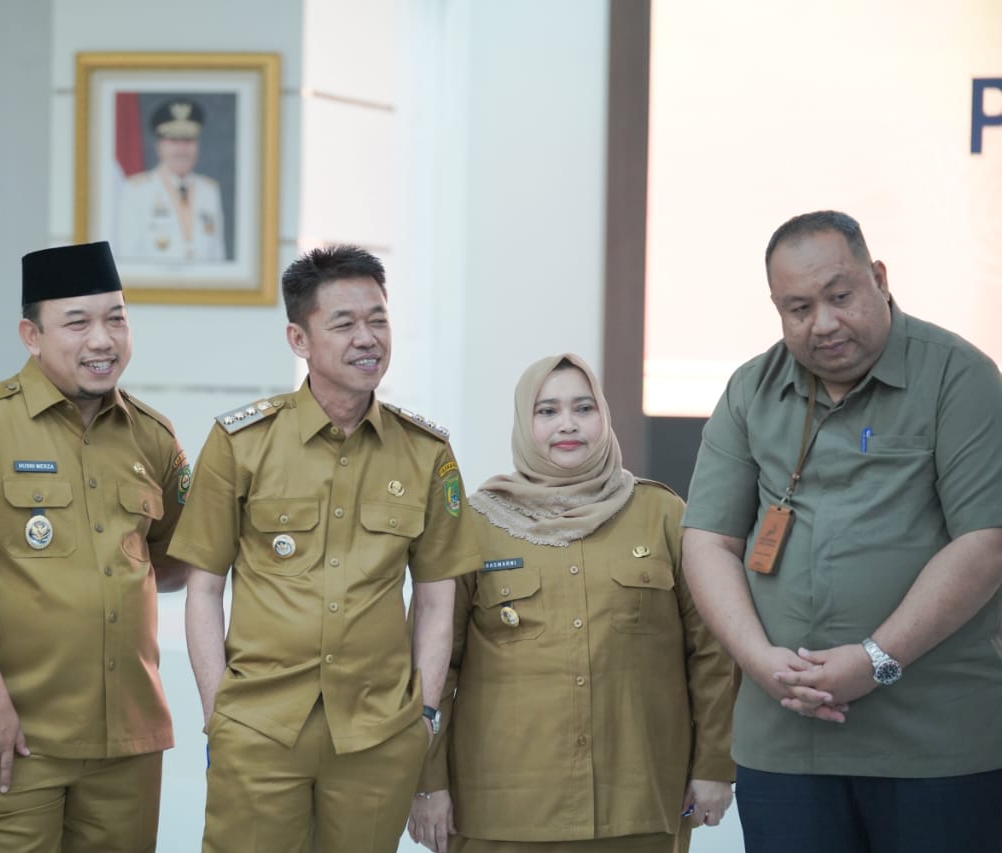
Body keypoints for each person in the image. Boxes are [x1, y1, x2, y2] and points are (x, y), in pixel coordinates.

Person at [681, 210, 1002, 853]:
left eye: (839, 296)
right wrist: (759, 660)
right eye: (798, 308)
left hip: (934, 743)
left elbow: (985, 542)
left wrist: (877, 660)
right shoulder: (751, 389)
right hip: (785, 738)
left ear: (878, 277)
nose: (823, 323)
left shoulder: (958, 376)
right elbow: (708, 541)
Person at [168, 244, 480, 852]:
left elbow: (437, 600)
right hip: (258, 729)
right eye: (344, 323)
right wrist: (218, 714)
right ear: (299, 339)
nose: (367, 338)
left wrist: (423, 715)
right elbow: (203, 590)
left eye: (378, 319)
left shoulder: (426, 453)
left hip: (378, 735)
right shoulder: (241, 443)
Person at [0, 240, 190, 853]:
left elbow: (175, 559)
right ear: (31, 336)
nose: (103, 340)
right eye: (78, 323)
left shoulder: (153, 436)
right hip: (15, 734)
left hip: (127, 741)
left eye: (116, 319)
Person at [406, 353, 736, 853]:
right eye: (547, 411)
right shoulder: (473, 525)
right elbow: (430, 664)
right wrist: (427, 783)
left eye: (584, 408)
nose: (568, 424)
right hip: (501, 810)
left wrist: (714, 765)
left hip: (638, 803)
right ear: (525, 422)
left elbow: (712, 653)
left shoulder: (662, 515)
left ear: (604, 416)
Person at [116, 97, 226, 262]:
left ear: (197, 145)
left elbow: (219, 256)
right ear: (159, 146)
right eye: (174, 141)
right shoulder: (135, 191)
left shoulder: (209, 191)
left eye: (188, 140)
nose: (182, 149)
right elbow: (127, 256)